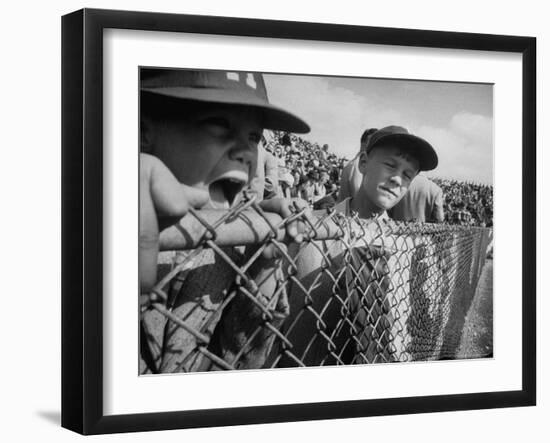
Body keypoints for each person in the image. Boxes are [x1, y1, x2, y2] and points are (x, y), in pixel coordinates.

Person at [139, 68, 311, 373]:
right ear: (141, 131)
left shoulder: (235, 242)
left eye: (254, 136)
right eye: (219, 123)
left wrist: (263, 264)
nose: (245, 151)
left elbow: (236, 363)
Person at [278, 125, 439, 367]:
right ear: (363, 162)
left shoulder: (401, 244)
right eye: (390, 165)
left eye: (408, 174)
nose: (397, 179)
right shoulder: (311, 227)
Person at [336, 128, 377, 203]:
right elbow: (359, 198)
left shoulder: (357, 163)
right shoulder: (357, 165)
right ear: (363, 143)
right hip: (349, 212)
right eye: (373, 141)